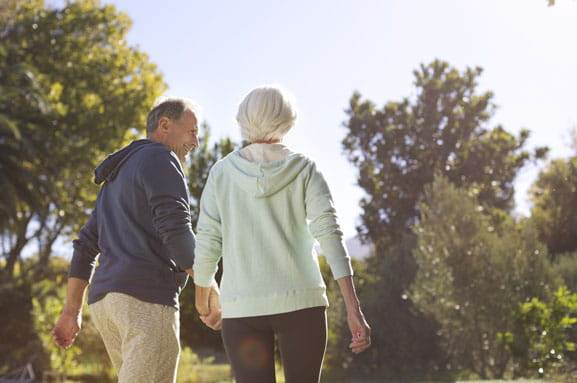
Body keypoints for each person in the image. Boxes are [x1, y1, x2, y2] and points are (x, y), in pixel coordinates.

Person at [193, 85, 371, 383]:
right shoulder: (304, 168)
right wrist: (354, 309)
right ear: (287, 119)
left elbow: (208, 240)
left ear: (243, 119)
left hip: (242, 307)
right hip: (302, 304)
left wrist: (202, 299)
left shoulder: (221, 173)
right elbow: (330, 234)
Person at [51, 98, 220, 383]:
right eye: (192, 131)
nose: (196, 143)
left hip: (107, 304)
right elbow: (177, 233)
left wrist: (71, 311)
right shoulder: (161, 158)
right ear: (165, 125)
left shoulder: (115, 178)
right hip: (145, 299)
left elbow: (85, 246)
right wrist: (209, 284)